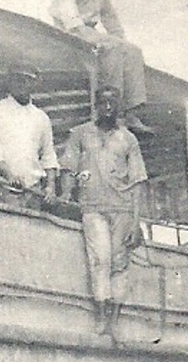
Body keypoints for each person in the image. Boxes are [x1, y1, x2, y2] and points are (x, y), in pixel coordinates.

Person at [58, 85, 148, 336]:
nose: (107, 107)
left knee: (120, 264)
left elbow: (138, 182)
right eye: (103, 102)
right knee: (101, 259)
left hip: (123, 210)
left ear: (119, 106)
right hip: (93, 208)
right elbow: (68, 168)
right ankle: (101, 315)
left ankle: (114, 321)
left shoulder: (129, 139)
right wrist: (66, 194)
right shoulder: (80, 134)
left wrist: (136, 221)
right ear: (95, 105)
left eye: (112, 102)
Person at [50, 0, 154, 136]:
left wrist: (120, 37)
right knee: (111, 49)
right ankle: (111, 111)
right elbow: (66, 3)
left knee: (132, 51)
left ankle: (132, 112)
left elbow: (108, 14)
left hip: (90, 30)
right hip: (70, 29)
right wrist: (79, 28)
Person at [0, 67, 58, 208]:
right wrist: (10, 176)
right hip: (4, 188)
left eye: (26, 80)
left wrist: (50, 186)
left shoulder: (41, 117)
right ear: (9, 82)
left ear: (34, 83)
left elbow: (48, 156)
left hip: (34, 191)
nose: (21, 84)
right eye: (16, 80)